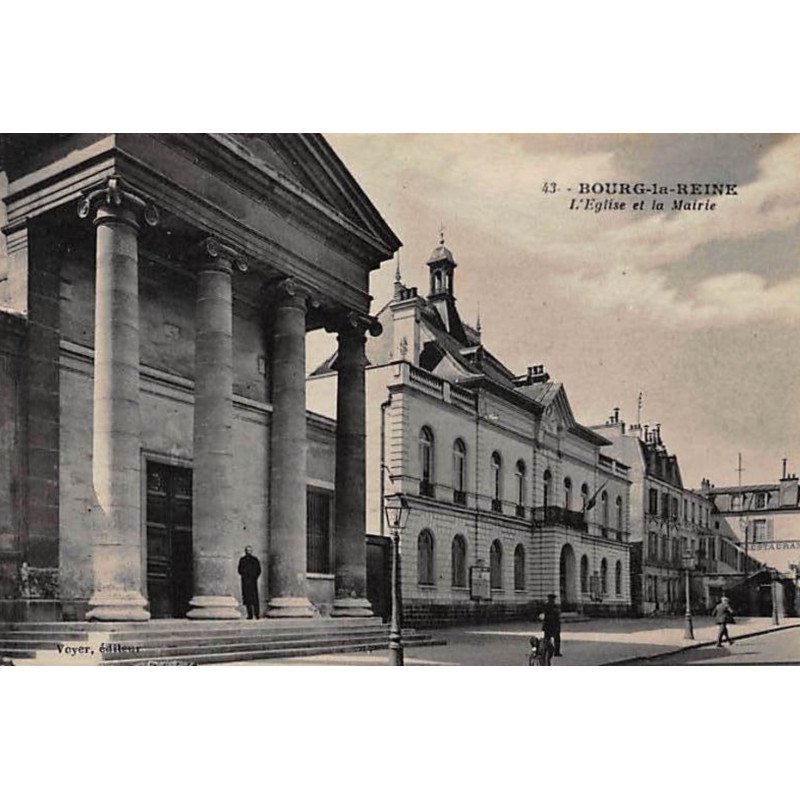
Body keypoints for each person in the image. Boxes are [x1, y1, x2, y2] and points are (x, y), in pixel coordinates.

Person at [237, 546, 262, 620]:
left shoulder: (255, 560)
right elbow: (240, 570)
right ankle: (250, 614)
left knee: (255, 599)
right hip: (245, 581)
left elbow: (258, 570)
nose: (248, 552)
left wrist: (254, 577)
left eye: (250, 550)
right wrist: (245, 576)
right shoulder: (242, 560)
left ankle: (257, 614)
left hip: (253, 581)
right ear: (245, 551)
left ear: (252, 551)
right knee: (247, 599)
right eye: (247, 550)